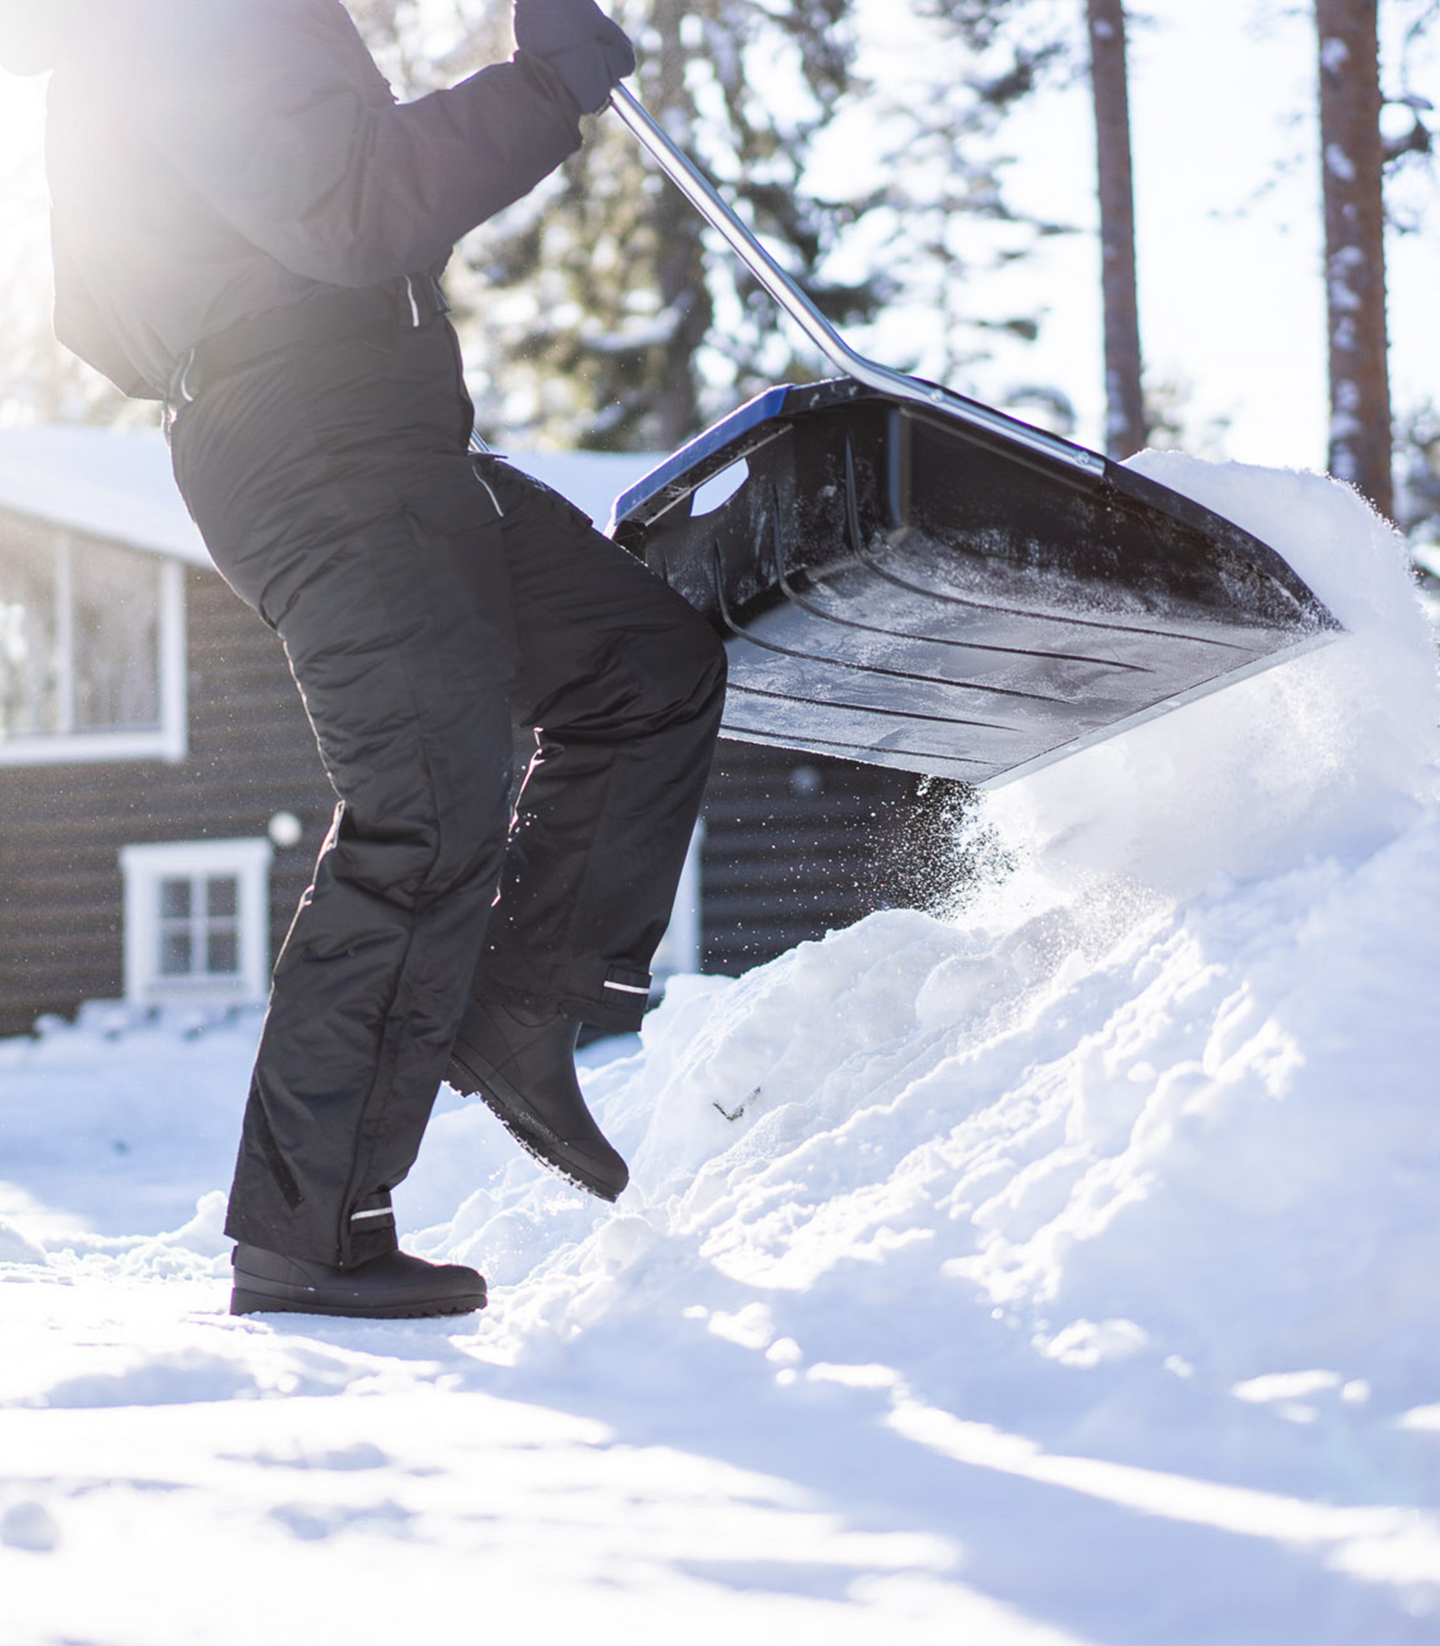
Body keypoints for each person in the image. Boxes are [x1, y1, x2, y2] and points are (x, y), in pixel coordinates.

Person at [4, 0, 726, 1319]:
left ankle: (523, 1006)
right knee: (428, 800)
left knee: (642, 662)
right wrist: (537, 91)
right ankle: (308, 1228)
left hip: (373, 422)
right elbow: (349, 205)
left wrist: (518, 102)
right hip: (312, 432)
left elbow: (338, 209)